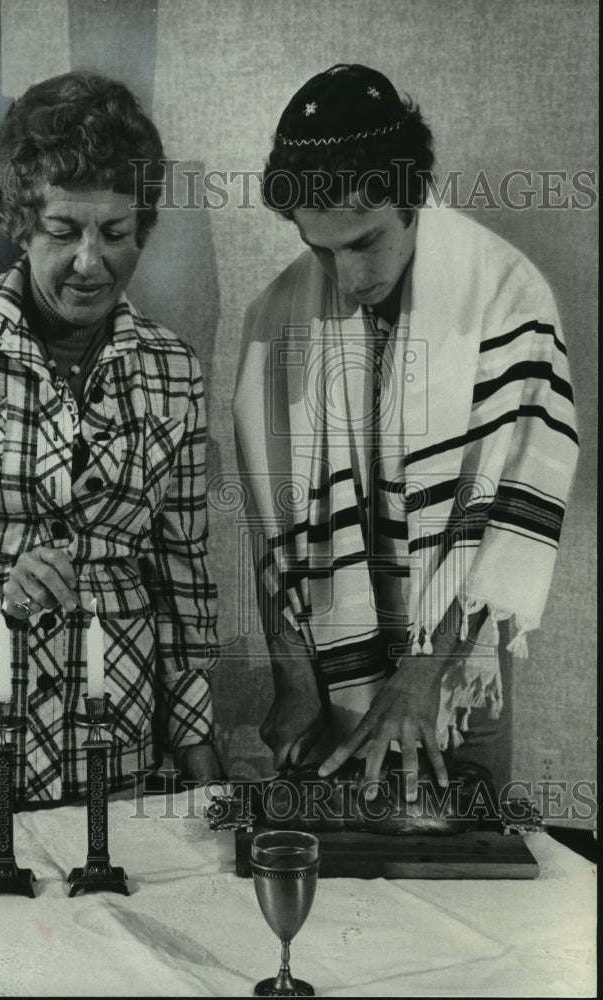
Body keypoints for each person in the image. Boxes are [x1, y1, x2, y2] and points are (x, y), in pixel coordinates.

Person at [0, 71, 222, 874]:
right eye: (64, 229)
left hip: (108, 751)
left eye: (117, 232)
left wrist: (196, 741)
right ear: (17, 223)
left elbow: (183, 574)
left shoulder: (172, 369)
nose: (91, 262)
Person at [233, 64, 578, 803]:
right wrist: (293, 674)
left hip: (455, 668)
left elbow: (517, 503)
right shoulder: (277, 317)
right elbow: (274, 522)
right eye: (320, 249)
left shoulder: (507, 296)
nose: (345, 276)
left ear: (413, 194)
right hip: (335, 667)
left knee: (458, 875)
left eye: (363, 242)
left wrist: (427, 670)